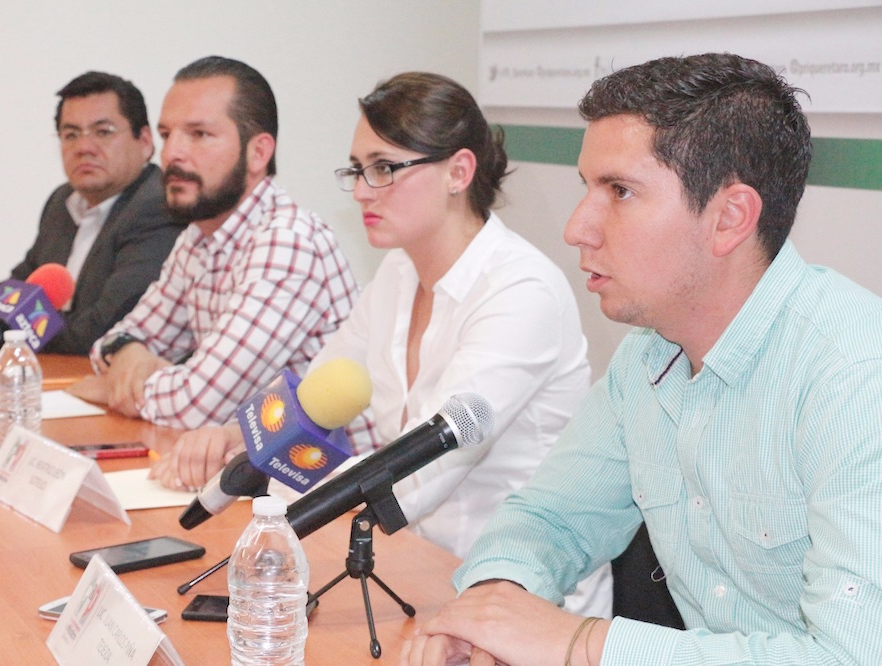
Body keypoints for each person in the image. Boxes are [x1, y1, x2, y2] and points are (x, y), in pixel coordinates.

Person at [402, 52, 882, 666]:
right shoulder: (648, 358)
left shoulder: (855, 377)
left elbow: (851, 655)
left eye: (620, 191)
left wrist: (578, 642)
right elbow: (550, 519)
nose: (578, 228)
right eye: (587, 188)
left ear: (730, 218)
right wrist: (492, 606)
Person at [151, 72, 612, 617]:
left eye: (384, 168)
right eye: (357, 169)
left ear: (458, 172)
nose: (363, 190)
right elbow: (313, 398)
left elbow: (417, 478)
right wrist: (239, 441)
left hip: (520, 599)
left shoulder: (521, 291)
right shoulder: (397, 272)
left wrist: (279, 493)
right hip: (414, 569)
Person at [69, 56, 358, 429]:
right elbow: (113, 342)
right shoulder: (198, 237)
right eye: (167, 134)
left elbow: (197, 406)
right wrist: (130, 353)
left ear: (258, 153)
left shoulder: (288, 243)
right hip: (250, 457)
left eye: (199, 134)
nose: (171, 153)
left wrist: (114, 389)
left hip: (328, 466)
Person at [0, 71, 180, 354]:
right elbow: (23, 279)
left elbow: (102, 329)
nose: (84, 148)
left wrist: (9, 328)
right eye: (71, 135)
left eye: (103, 132)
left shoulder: (157, 208)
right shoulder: (63, 202)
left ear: (145, 141)